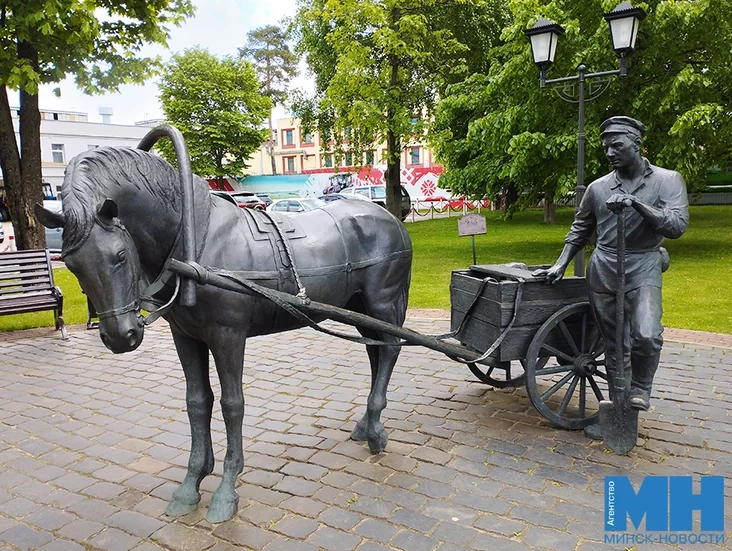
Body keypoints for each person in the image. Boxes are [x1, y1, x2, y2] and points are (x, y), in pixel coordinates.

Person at [534, 116, 689, 420]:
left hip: (643, 265)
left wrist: (636, 203)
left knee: (646, 334)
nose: (609, 153)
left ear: (637, 144)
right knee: (615, 343)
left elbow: (676, 226)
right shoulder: (598, 188)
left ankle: (640, 388)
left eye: (616, 145)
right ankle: (619, 413)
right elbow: (580, 228)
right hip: (604, 269)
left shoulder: (668, 180)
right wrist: (561, 263)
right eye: (606, 147)